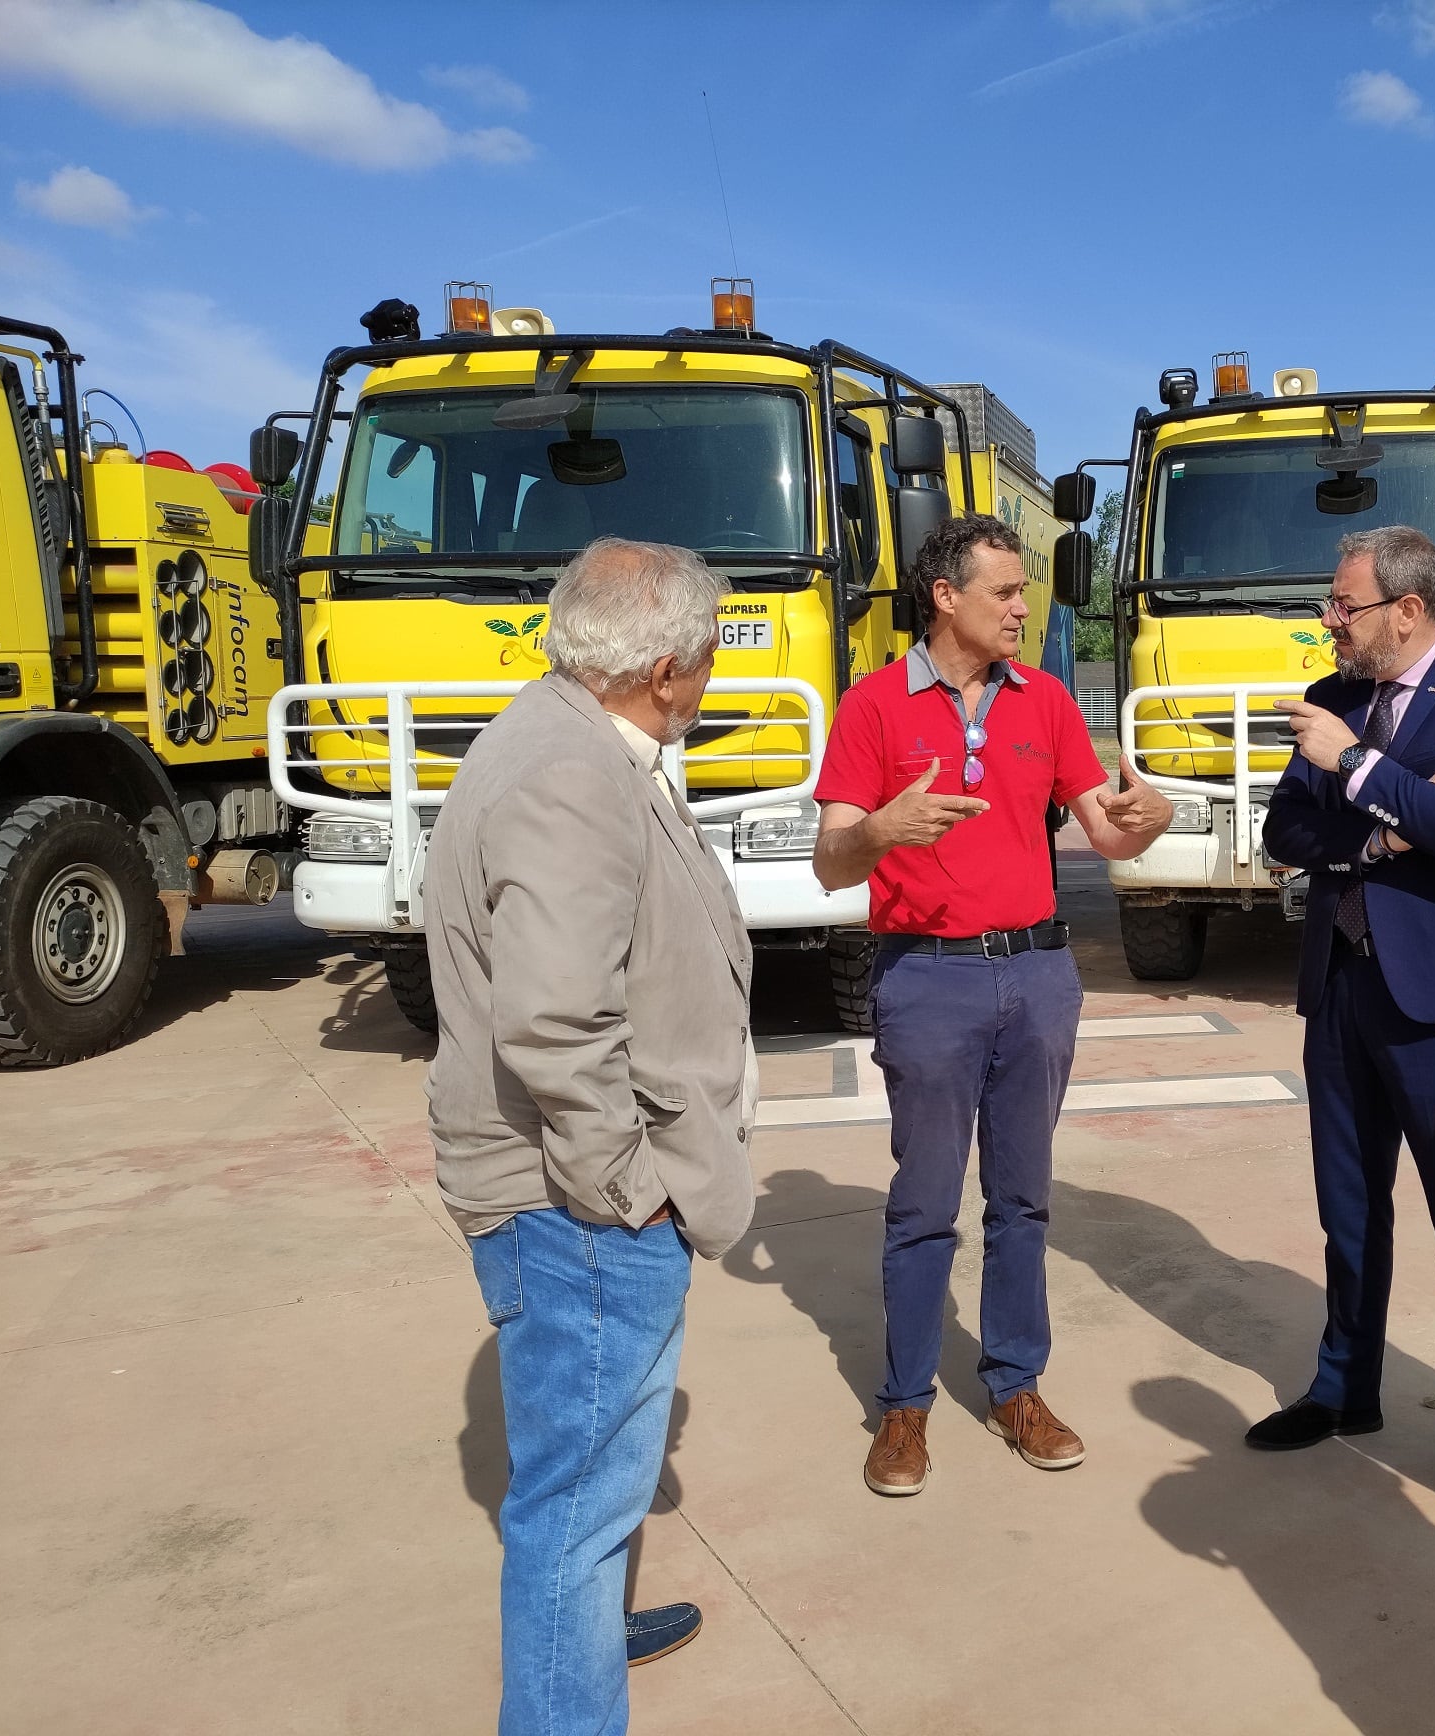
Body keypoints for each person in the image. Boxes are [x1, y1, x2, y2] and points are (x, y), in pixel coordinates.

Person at [425, 537, 760, 1735]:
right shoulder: (571, 771)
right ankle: (568, 1692)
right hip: (578, 1207)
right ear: (666, 669)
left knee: (585, 1495)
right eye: (707, 658)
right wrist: (632, 1189)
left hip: (577, 1197)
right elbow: (556, 1021)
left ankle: (584, 1635)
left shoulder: (574, 736)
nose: (710, 678)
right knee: (573, 1507)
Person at [811, 512, 1173, 1497]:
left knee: (1022, 1199)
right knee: (925, 1204)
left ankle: (1016, 1386)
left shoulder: (1045, 700)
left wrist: (1151, 819)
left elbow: (1108, 833)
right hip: (927, 977)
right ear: (945, 595)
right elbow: (830, 861)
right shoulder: (873, 706)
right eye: (1005, 592)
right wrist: (878, 830)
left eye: (1022, 591)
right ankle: (903, 1405)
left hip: (1039, 974)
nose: (1022, 609)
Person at [1254, 523, 1435, 1531]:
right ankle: (1345, 1387)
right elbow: (1285, 831)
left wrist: (1355, 767)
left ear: (1406, 609)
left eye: (1343, 606)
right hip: (1341, 982)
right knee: (1348, 1208)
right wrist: (1390, 827)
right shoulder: (1333, 695)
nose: (1327, 621)